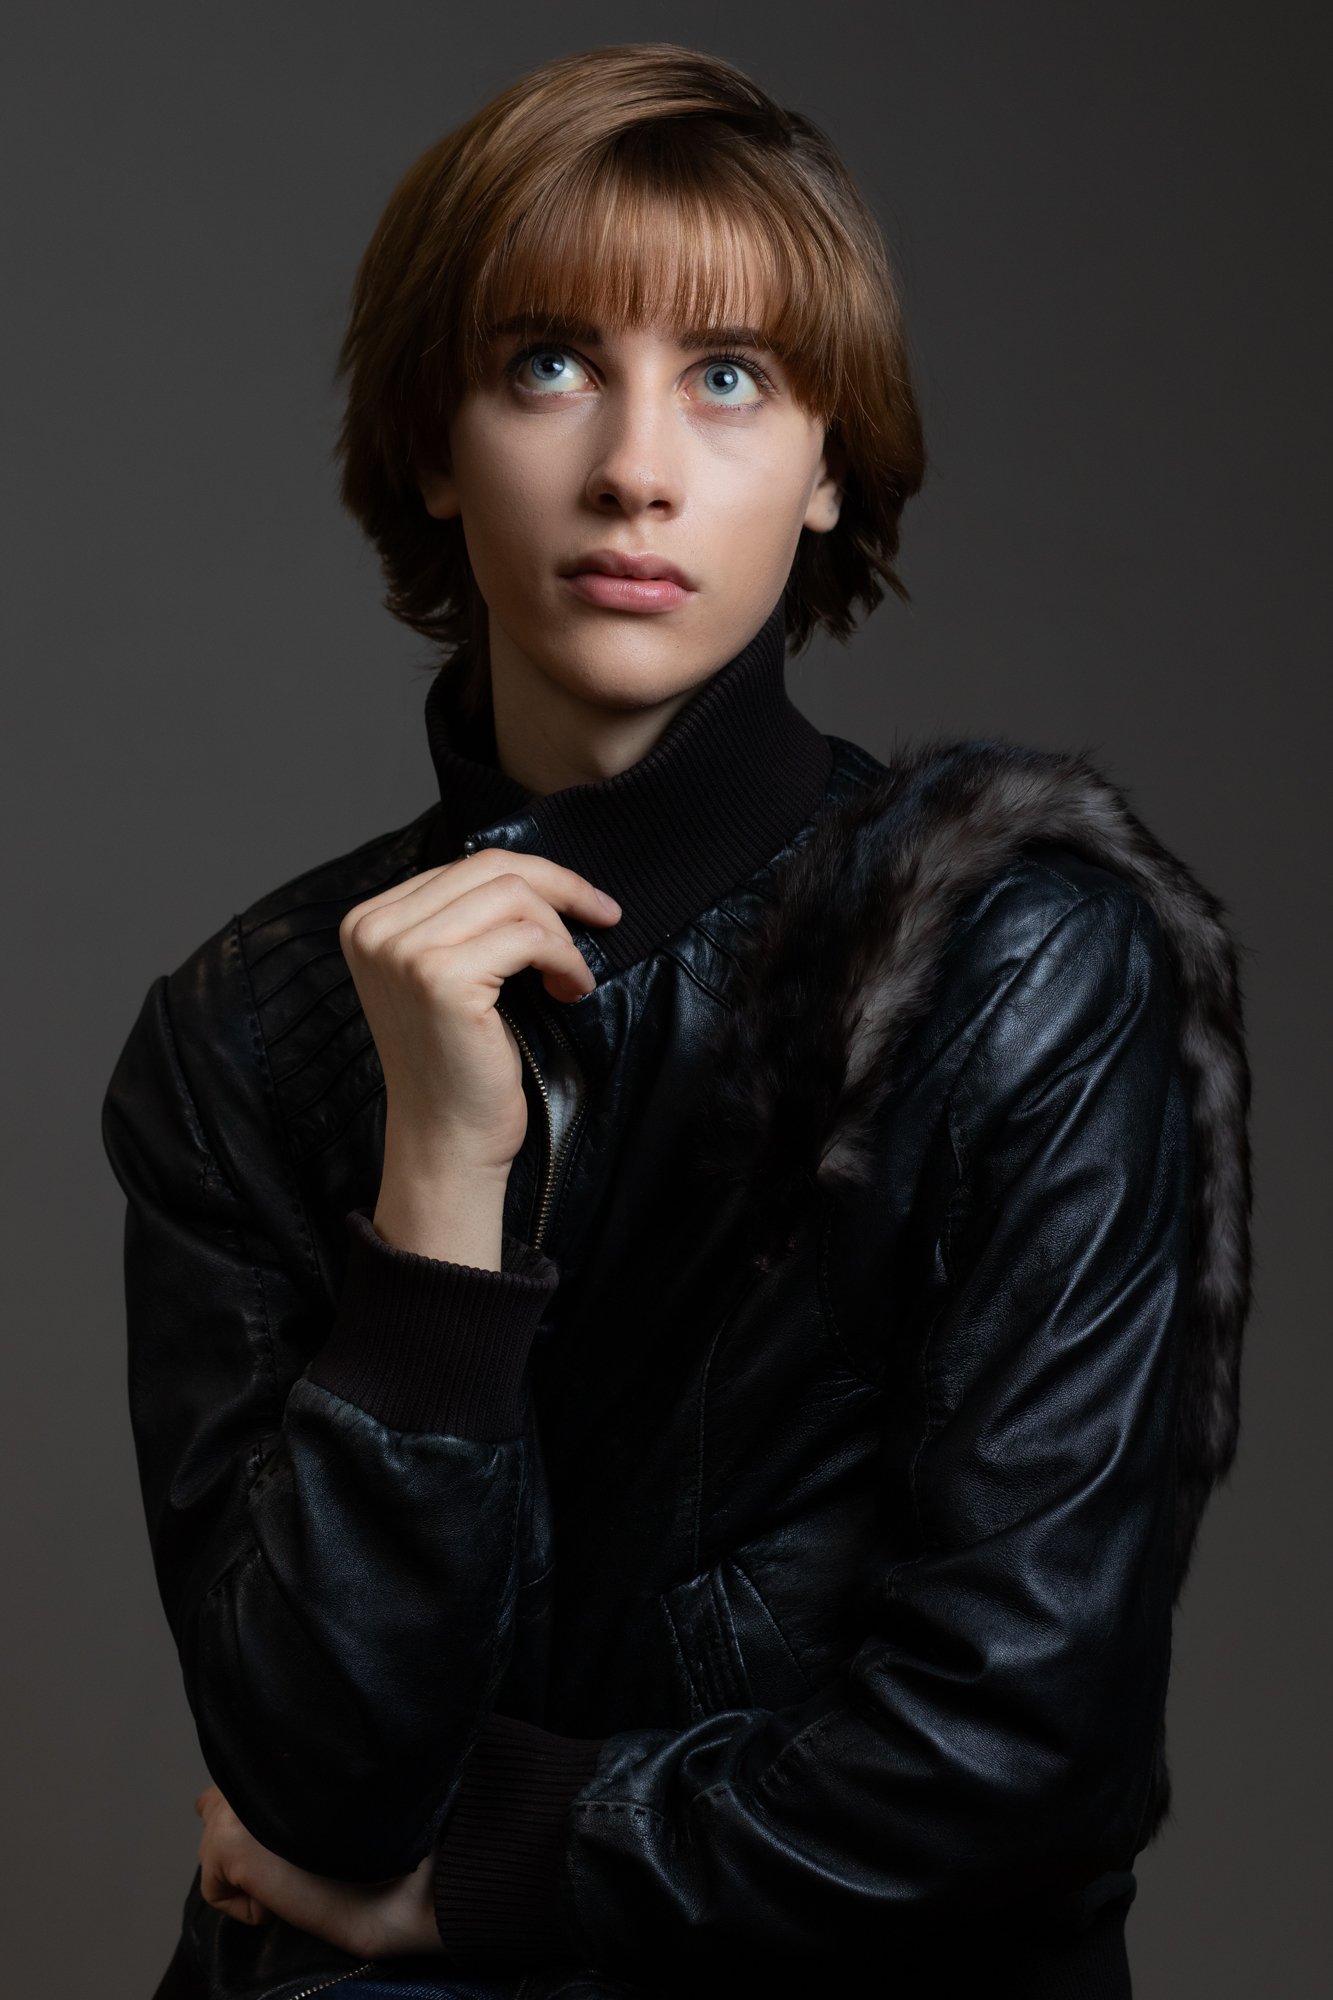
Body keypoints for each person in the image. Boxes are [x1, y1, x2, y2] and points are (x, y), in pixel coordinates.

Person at [101, 41, 1253, 2000]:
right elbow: (305, 1779)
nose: (636, 463)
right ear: (432, 446)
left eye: (730, 377)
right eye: (547, 361)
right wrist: (440, 1183)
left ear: (825, 469)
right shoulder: (243, 1033)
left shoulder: (1016, 962)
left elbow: (1016, 1764)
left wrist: (487, 1870)